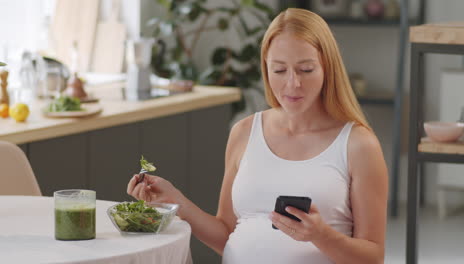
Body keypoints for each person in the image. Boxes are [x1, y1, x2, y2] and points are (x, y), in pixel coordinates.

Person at [127, 8, 388, 264]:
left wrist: (322, 236)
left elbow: (373, 257)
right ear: (266, 69)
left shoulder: (358, 144)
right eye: (279, 70)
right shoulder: (244, 133)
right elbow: (226, 234)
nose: (292, 83)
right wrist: (176, 202)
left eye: (306, 70)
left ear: (327, 68)